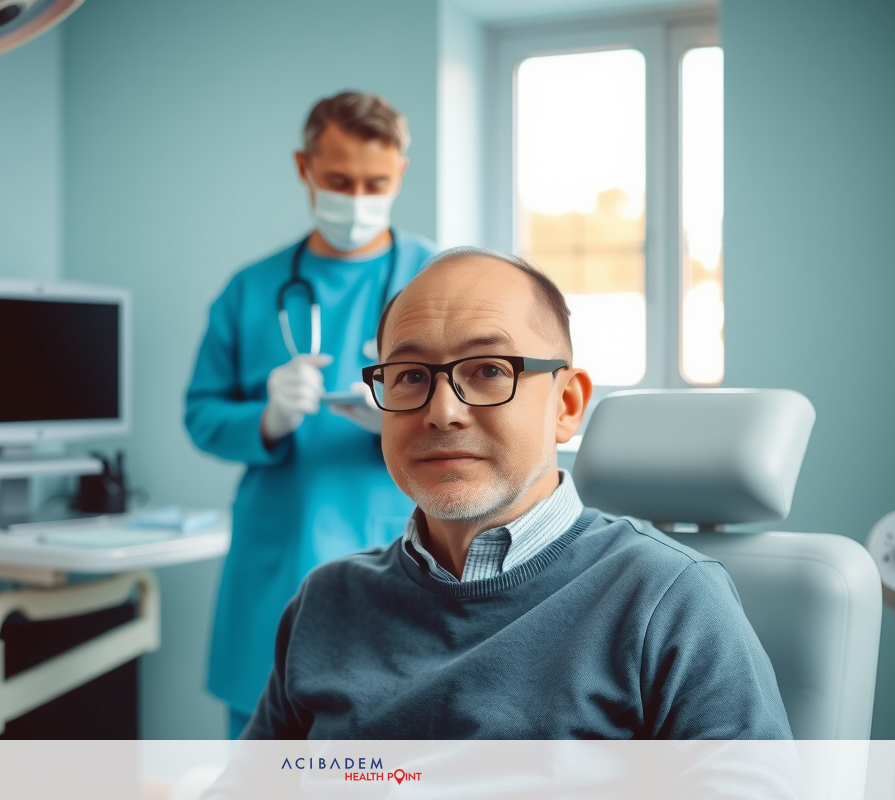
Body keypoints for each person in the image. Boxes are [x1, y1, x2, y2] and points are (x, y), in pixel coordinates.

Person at [241, 246, 794, 739]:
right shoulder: (327, 601)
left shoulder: (668, 599)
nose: (443, 412)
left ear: (567, 405)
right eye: (409, 375)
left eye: (487, 369)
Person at [185, 92, 437, 738]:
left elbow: (485, 403)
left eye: (376, 183)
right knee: (262, 759)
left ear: (401, 173)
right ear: (304, 168)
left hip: (398, 553)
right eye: (338, 181)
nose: (357, 198)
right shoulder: (252, 288)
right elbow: (201, 413)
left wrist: (407, 415)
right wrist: (266, 421)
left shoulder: (439, 281)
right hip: (279, 559)